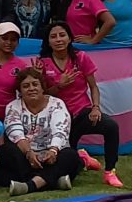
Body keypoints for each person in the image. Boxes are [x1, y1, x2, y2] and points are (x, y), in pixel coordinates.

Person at [37, 21, 124, 188]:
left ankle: (110, 172)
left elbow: (93, 87)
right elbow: (42, 95)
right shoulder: (42, 63)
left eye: (62, 35)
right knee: (68, 162)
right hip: (59, 119)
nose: (58, 39)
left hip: (82, 112)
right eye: (53, 36)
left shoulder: (80, 57)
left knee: (111, 126)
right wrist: (60, 86)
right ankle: (82, 158)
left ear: (70, 38)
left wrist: (95, 107)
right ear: (48, 41)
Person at [0, 67, 81, 196]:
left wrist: (53, 151)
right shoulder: (13, 106)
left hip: (51, 156)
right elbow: (15, 133)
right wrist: (29, 153)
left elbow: (60, 130)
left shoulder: (57, 104)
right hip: (26, 156)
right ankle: (52, 180)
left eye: (35, 84)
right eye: (26, 86)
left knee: (71, 156)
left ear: (42, 87)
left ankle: (30, 185)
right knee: (5, 151)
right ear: (20, 91)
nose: (31, 88)